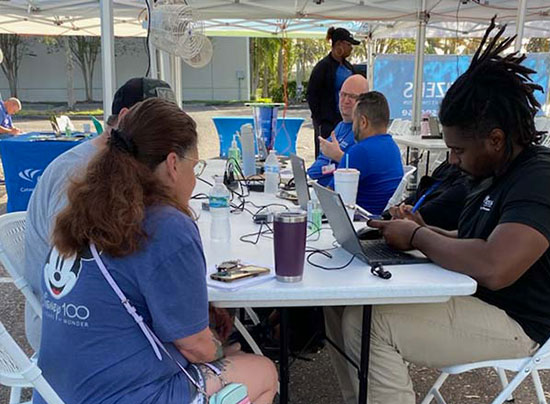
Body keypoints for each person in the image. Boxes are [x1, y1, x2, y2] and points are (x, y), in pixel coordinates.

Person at [340, 18, 550, 403]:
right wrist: (423, 230)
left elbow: (495, 267)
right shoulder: (495, 170)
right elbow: (475, 241)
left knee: (370, 324)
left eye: (459, 150)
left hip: (520, 322)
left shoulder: (543, 177)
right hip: (476, 298)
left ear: (496, 139)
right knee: (348, 307)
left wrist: (418, 237)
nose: (453, 160)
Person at [34, 98, 278, 404]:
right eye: (195, 166)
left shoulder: (83, 208)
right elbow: (195, 346)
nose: (194, 178)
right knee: (263, 371)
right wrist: (217, 350)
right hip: (124, 395)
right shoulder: (166, 224)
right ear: (173, 164)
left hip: (55, 392)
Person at [24, 77, 176, 351]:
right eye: (158, 125)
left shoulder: (120, 166)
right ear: (127, 117)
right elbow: (75, 264)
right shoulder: (79, 171)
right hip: (67, 323)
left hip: (88, 311)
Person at [331, 91, 403, 216]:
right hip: (381, 220)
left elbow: (330, 198)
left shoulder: (359, 151)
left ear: (363, 122)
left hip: (358, 221)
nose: (353, 127)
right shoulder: (393, 147)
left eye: (354, 121)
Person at [307, 74, 369, 186]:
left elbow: (357, 169)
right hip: (320, 188)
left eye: (352, 97)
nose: (345, 100)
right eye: (343, 94)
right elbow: (316, 166)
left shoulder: (363, 132)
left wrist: (337, 157)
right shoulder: (340, 126)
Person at [307, 27, 360, 158]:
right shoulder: (322, 67)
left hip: (346, 121)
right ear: (338, 45)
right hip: (327, 122)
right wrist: (321, 119)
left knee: (345, 153)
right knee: (325, 155)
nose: (351, 49)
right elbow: (311, 95)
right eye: (348, 45)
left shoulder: (348, 67)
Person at [385, 160, 471, 230]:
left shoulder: (466, 184)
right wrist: (387, 215)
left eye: (458, 150)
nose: (452, 157)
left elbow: (429, 213)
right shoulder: (448, 166)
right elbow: (421, 193)